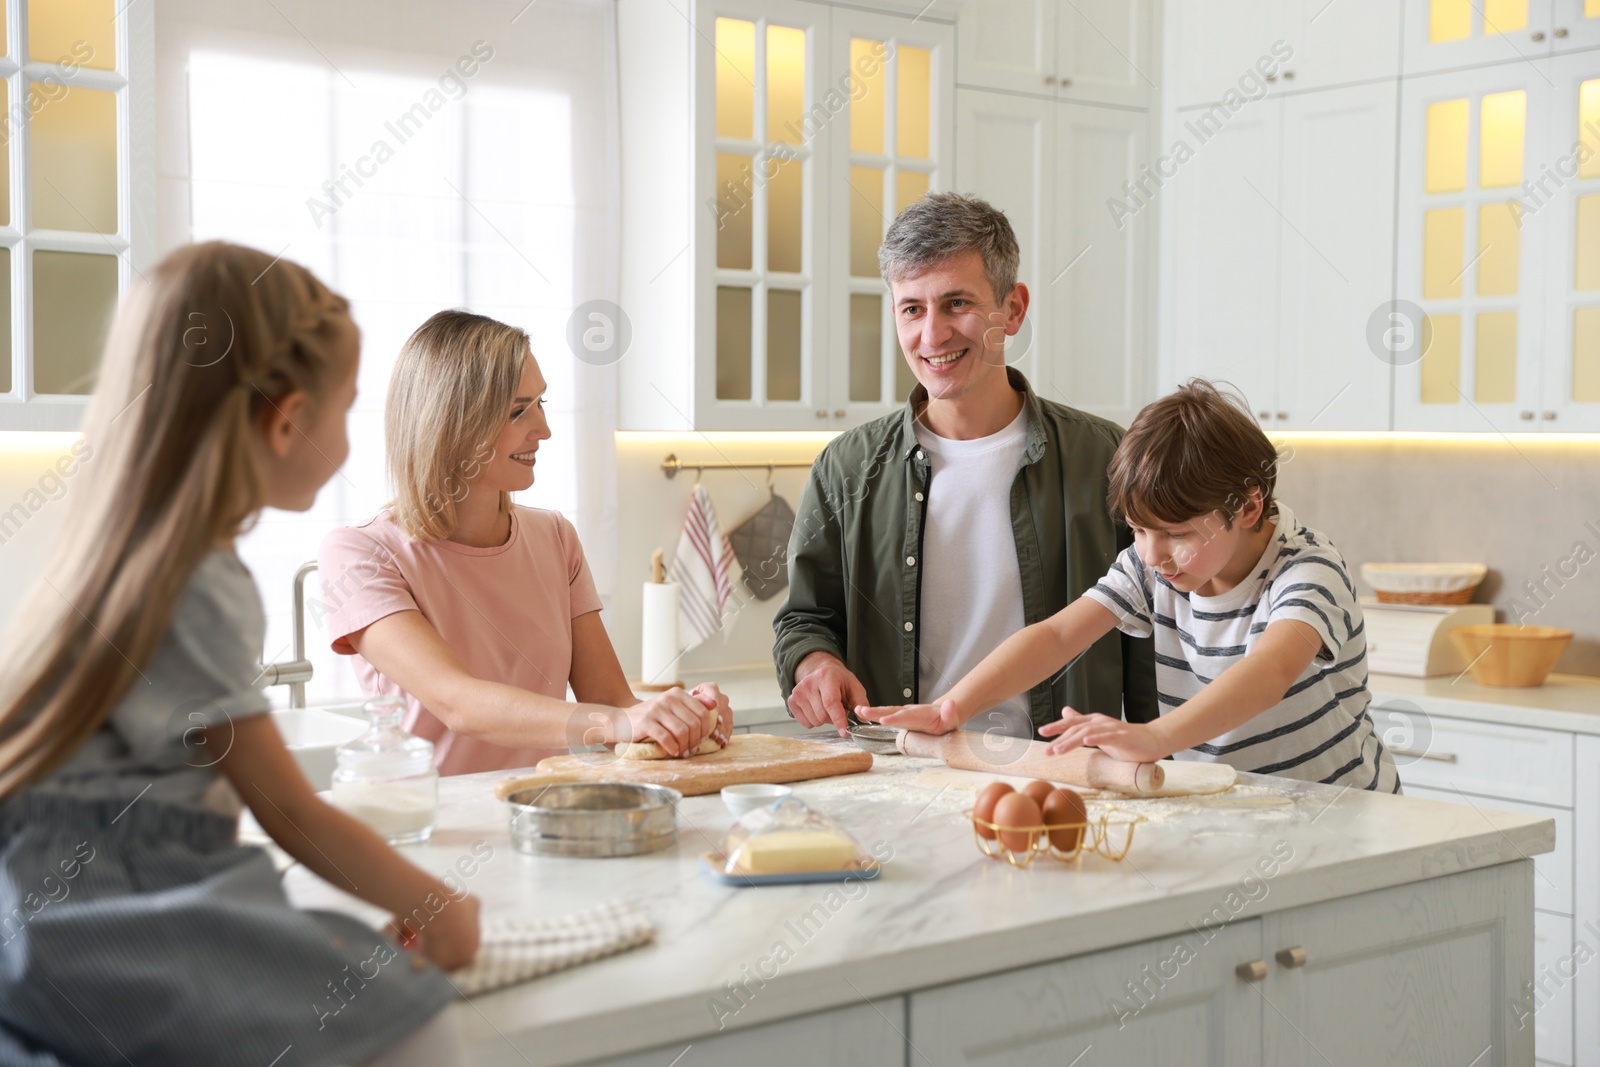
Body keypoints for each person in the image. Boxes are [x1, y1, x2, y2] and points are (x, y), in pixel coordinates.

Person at [0, 242, 475, 1066]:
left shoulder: (113, 556)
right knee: (414, 1017)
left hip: (38, 921)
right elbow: (289, 810)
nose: (349, 440)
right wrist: (435, 902)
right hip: (115, 914)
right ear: (286, 419)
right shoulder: (202, 581)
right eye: (347, 408)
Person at [862, 381, 1400, 792]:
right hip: (1234, 802)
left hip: (1340, 810)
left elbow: (1268, 672)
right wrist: (951, 708)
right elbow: (1055, 637)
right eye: (1139, 530)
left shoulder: (1307, 571)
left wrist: (1159, 737)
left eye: (1176, 533)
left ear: (1248, 505)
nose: (1151, 552)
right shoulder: (1155, 568)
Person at [773, 192, 1158, 739]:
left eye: (957, 304)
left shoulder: (1103, 459)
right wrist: (816, 664)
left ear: (1014, 309)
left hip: (1057, 780)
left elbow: (1152, 645)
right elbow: (804, 619)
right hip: (900, 776)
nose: (932, 336)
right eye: (913, 308)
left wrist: (1161, 768)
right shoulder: (847, 468)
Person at [319, 310, 730, 775]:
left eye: (541, 403)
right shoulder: (361, 554)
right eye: (518, 411)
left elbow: (613, 702)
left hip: (539, 815)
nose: (544, 429)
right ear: (451, 423)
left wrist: (684, 718)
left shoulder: (555, 538)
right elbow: (458, 703)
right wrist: (623, 720)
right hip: (430, 826)